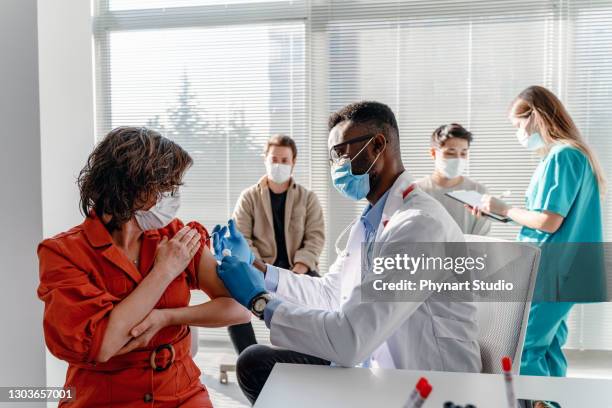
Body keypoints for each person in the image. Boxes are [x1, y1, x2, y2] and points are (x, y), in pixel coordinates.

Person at [214, 101, 482, 404]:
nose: (336, 166)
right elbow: (331, 293)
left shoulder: (419, 226)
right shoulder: (371, 222)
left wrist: (259, 301)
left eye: (340, 152)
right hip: (380, 371)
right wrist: (260, 270)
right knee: (256, 362)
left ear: (377, 145)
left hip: (428, 387)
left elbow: (350, 340)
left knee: (265, 366)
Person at [37, 127, 251, 407]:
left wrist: (168, 317)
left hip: (181, 392)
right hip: (103, 398)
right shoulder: (64, 253)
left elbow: (240, 309)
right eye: (165, 187)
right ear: (128, 188)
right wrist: (163, 272)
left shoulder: (175, 236)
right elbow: (102, 345)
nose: (172, 196)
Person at [476, 86, 606, 378]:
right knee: (548, 347)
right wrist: (500, 212)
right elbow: (548, 218)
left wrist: (505, 208)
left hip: (552, 270)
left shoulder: (563, 156)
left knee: (525, 348)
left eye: (518, 123)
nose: (518, 132)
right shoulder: (570, 155)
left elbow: (549, 222)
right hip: (564, 270)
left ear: (535, 115)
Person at [220, 134, 325, 354]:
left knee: (322, 301)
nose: (279, 164)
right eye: (274, 159)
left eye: (284, 160)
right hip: (259, 270)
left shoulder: (308, 198)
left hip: (300, 271)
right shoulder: (248, 197)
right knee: (231, 298)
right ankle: (250, 359)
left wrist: (297, 272)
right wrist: (261, 270)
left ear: (293, 162)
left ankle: (306, 357)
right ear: (265, 159)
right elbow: (242, 238)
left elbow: (315, 238)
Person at [417, 123, 490, 235]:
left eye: (463, 153)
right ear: (433, 153)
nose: (458, 159)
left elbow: (481, 240)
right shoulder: (417, 191)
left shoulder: (478, 191)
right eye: (450, 153)